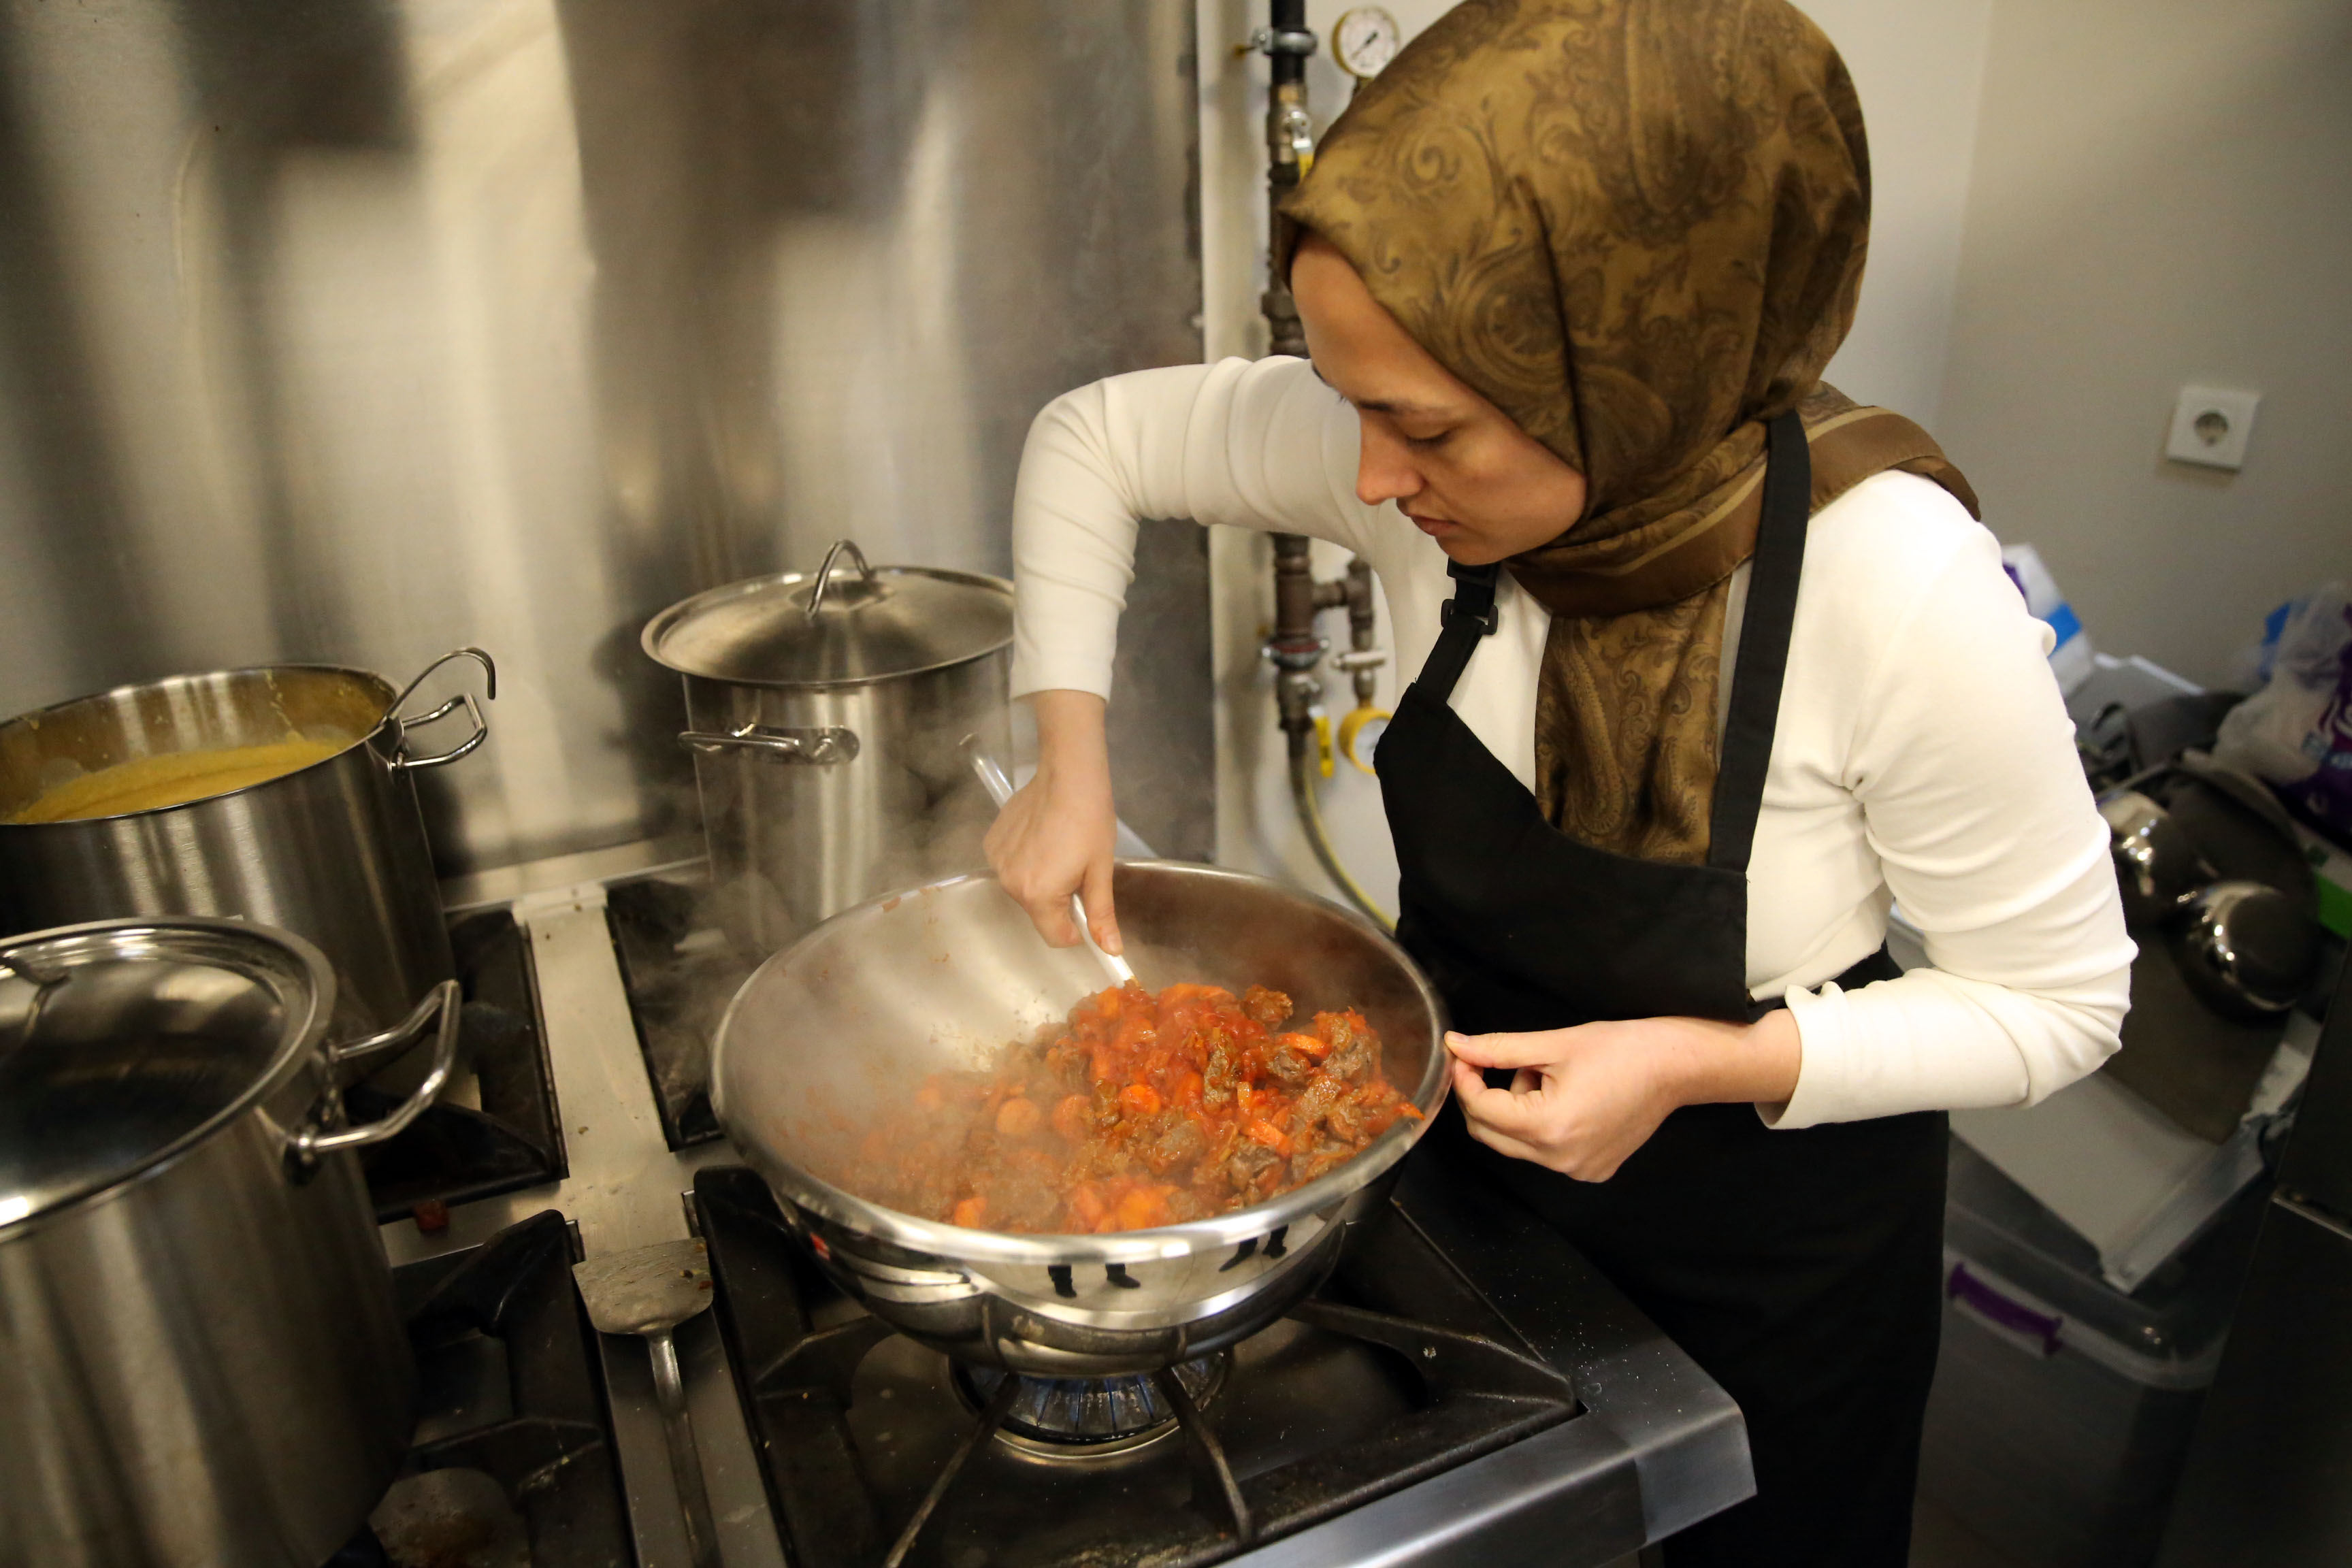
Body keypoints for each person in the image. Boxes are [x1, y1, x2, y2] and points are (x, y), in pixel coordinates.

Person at [983, 1, 2133, 1562]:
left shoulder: (1896, 583)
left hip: (1770, 1282)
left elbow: (2062, 1007)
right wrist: (1069, 761)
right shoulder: (1423, 478)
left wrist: (1686, 1065)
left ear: (1625, 366)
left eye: (1428, 427)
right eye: (1354, 406)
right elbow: (1090, 437)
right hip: (1475, 1215)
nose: (1374, 476)